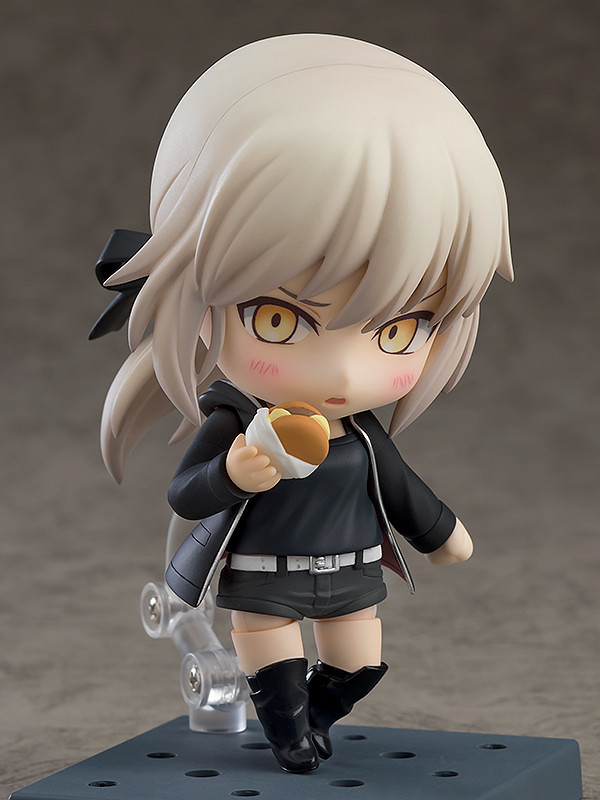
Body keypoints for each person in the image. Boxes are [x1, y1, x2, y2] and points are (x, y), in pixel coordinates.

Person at [97, 34, 513, 772]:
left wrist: (442, 532)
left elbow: (401, 488)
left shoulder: (362, 433)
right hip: (263, 574)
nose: (345, 370)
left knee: (359, 664)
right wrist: (234, 472)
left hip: (351, 571)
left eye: (399, 329)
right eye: (279, 320)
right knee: (277, 675)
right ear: (199, 300)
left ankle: (315, 716)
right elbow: (187, 493)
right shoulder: (238, 421)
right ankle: (290, 733)